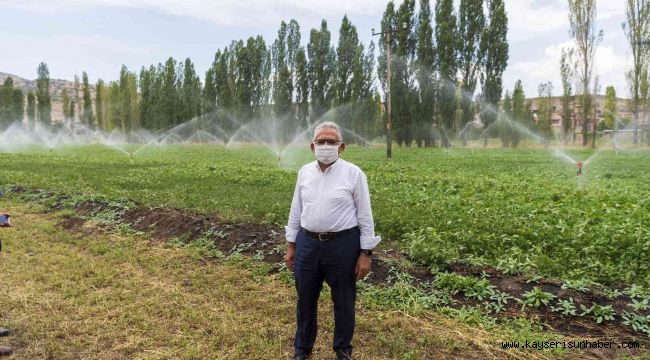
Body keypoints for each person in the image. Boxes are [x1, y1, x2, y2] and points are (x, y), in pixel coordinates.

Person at [284, 122, 381, 360]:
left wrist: (365, 253)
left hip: (343, 245)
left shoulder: (354, 174)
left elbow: (365, 216)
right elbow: (296, 210)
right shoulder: (304, 172)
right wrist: (291, 244)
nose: (326, 146)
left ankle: (342, 349)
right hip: (307, 243)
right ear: (312, 146)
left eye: (331, 142)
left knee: (344, 301)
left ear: (341, 147)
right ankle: (302, 349)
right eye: (321, 141)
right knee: (305, 299)